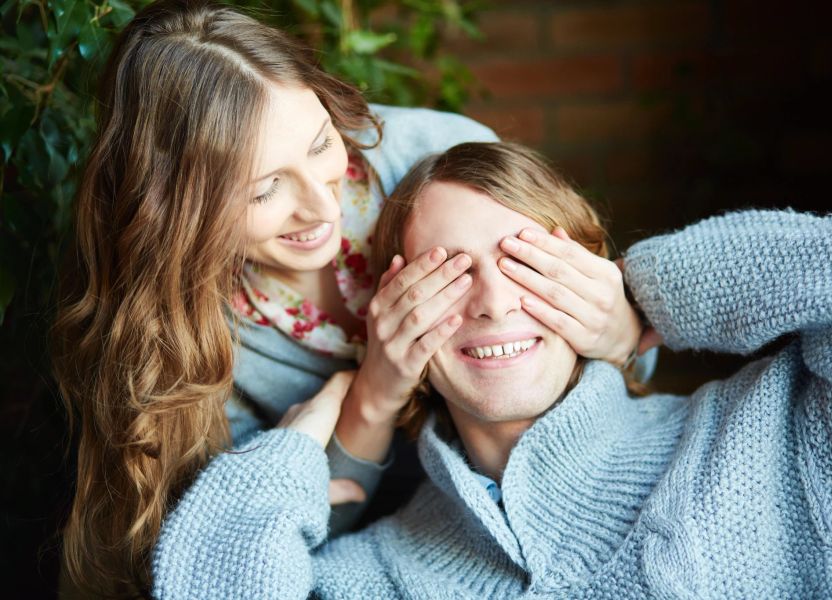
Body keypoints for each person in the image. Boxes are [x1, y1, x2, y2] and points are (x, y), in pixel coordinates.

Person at [51, 2, 647, 596]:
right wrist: (373, 396)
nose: (321, 206)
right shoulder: (185, 342)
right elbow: (276, 553)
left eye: (319, 146)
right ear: (176, 210)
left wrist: (622, 329)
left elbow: (622, 378)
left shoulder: (435, 157)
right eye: (264, 191)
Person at [151, 141, 832, 599]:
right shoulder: (372, 578)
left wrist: (651, 300)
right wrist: (295, 452)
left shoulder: (782, 435)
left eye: (528, 262)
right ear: (393, 317)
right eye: (447, 274)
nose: (495, 300)